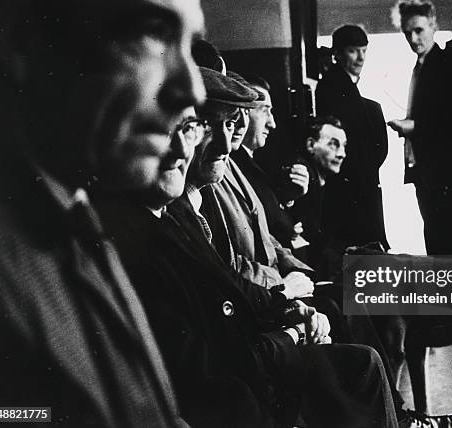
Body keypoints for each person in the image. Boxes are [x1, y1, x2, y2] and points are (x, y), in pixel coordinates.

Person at [95, 67, 399, 428]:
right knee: (363, 323)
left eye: (189, 128)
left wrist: (288, 305)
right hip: (246, 387)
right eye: (211, 125)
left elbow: (247, 262)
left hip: (265, 331)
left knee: (380, 292)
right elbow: (228, 297)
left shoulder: (188, 208)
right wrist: (289, 318)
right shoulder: (162, 218)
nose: (181, 148)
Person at [0, 0, 205, 426]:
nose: (191, 89)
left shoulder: (70, 210)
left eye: (190, 44)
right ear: (20, 36)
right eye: (153, 33)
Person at [388, 0, 452, 255]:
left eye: (419, 30)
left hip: (450, 181)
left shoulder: (447, 64)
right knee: (440, 250)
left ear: (434, 26)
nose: (413, 38)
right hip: (432, 177)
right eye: (407, 32)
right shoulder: (423, 66)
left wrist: (414, 127)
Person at [315, 24, 390, 251]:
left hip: (359, 181)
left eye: (364, 51)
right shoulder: (333, 86)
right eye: (353, 51)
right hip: (349, 185)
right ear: (336, 54)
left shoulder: (343, 85)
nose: (360, 58)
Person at [233, 76, 310, 250]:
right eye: (264, 110)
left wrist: (288, 198)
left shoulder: (252, 162)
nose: (272, 123)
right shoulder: (233, 165)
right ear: (242, 112)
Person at [289, 116, 348, 271]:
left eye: (343, 146)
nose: (342, 154)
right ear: (311, 145)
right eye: (333, 145)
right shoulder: (302, 176)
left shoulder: (318, 179)